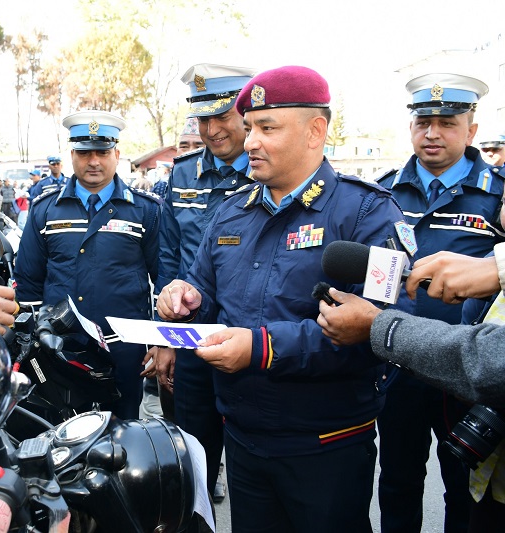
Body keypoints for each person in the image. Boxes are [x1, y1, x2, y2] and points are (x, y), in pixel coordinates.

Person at [157, 65, 414, 532]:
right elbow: (203, 292)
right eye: (250, 127)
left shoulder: (369, 214)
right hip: (244, 439)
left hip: (326, 445)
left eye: (266, 128)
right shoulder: (231, 212)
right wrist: (183, 297)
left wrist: (260, 348)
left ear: (316, 131)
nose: (249, 141)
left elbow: (382, 325)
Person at [374, 73, 504, 533]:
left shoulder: (499, 193)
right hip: (399, 363)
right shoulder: (382, 192)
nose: (431, 133)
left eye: (447, 122)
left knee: (465, 489)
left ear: (471, 129)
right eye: (422, 121)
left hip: (467, 371)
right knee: (397, 483)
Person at [317, 245, 505, 532]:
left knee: (456, 491)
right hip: (488, 474)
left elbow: (489, 361)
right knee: (399, 480)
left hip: (458, 394)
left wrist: (378, 326)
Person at [149, 63, 256, 502]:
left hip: (252, 340)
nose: (212, 130)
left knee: (255, 469)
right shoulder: (182, 175)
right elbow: (169, 261)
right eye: (203, 118)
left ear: (246, 113)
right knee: (194, 461)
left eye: (222, 116)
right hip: (193, 340)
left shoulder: (272, 172)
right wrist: (167, 339)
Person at [14, 110, 162, 420]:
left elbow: (163, 281)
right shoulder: (45, 210)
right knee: (61, 437)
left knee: (123, 437)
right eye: (84, 152)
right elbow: (28, 283)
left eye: (102, 152)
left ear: (117, 154)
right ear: (72, 156)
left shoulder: (145, 211)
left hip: (124, 350)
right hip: (61, 351)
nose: (93, 160)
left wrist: (161, 343)